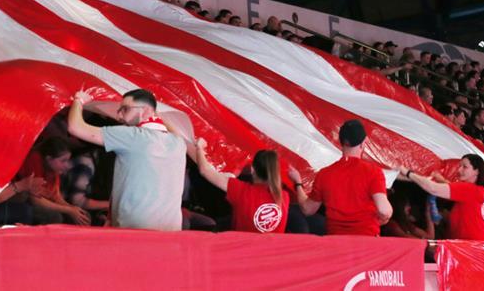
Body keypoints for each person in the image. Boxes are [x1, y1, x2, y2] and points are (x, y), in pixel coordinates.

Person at [67, 88, 186, 231]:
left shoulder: (132, 136)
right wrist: (157, 115)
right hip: (172, 232)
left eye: (125, 109)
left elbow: (75, 128)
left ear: (146, 111)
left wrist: (79, 100)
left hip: (135, 230)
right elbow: (173, 132)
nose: (120, 116)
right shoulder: (179, 143)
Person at [288, 120, 392, 236]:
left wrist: (298, 183)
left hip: (336, 242)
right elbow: (384, 210)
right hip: (366, 241)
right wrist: (382, 219)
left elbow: (307, 209)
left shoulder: (324, 174)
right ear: (363, 143)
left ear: (341, 143)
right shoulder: (374, 172)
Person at [195, 139, 289, 233]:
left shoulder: (241, 190)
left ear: (252, 169)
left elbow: (205, 170)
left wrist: (199, 147)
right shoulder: (285, 196)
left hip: (241, 245)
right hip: (273, 247)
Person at [399, 154, 484, 240]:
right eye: (459, 166)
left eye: (464, 167)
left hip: (468, 247)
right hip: (481, 246)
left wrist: (407, 172)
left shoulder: (468, 189)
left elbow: (433, 188)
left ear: (477, 171)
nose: (459, 170)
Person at [17, 137, 90, 225]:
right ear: (49, 159)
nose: (67, 165)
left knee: (83, 215)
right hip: (21, 201)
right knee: (55, 216)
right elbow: (35, 200)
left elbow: (56, 196)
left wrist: (74, 209)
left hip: (39, 201)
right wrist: (69, 210)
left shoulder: (53, 168)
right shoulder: (34, 159)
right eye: (63, 161)